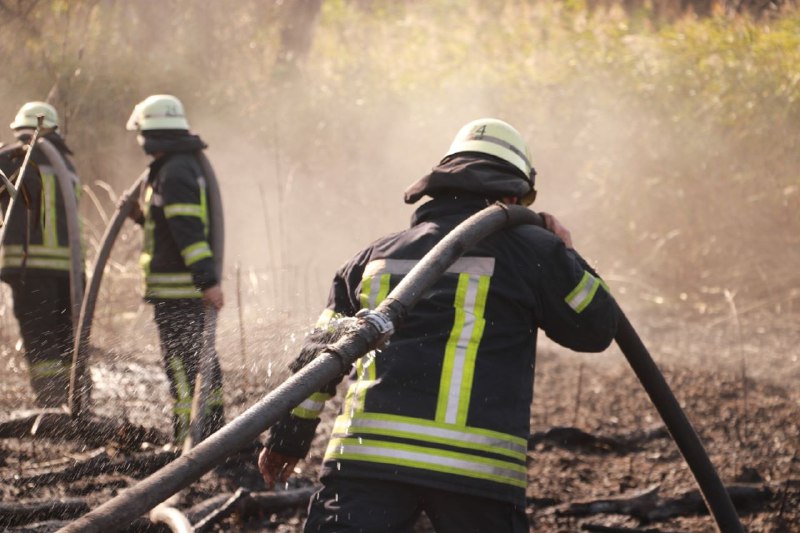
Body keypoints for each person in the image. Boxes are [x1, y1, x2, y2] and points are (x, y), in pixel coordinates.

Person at [258, 118, 620, 532]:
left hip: (367, 463)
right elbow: (597, 326)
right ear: (511, 194)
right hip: (475, 475)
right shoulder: (535, 251)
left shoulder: (373, 258)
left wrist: (287, 440)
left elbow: (317, 360)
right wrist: (566, 256)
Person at [125, 94, 225, 445]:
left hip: (181, 290)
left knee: (185, 369)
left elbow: (188, 231)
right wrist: (140, 217)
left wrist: (207, 281)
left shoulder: (176, 169)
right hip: (179, 289)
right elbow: (171, 227)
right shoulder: (174, 167)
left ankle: (193, 439)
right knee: (194, 364)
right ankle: (210, 435)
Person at [0, 101, 83, 408]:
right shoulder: (67, 166)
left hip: (31, 267)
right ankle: (75, 403)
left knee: (40, 340)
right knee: (66, 341)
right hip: (69, 273)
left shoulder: (13, 158)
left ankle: (51, 405)